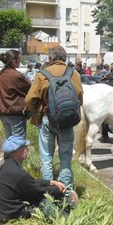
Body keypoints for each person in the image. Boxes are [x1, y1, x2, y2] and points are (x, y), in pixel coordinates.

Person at [25, 45, 83, 192]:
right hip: (67, 120)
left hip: (47, 119)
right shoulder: (74, 73)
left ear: (50, 58)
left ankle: (48, 193)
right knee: (65, 158)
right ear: (64, 58)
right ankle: (66, 193)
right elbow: (80, 98)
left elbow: (30, 100)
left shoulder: (42, 74)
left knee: (46, 157)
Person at [0, 135, 68, 224]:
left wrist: (50, 182)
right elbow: (39, 192)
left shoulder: (2, 165)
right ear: (18, 151)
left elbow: (29, 182)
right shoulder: (18, 173)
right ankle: (65, 220)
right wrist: (58, 189)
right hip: (10, 215)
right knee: (44, 202)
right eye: (25, 147)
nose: (28, 149)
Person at [0, 49, 32, 139]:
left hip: (2, 111)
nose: (20, 62)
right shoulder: (16, 75)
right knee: (18, 141)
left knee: (9, 139)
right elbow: (30, 88)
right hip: (15, 111)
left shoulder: (0, 74)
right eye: (19, 59)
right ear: (14, 61)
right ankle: (13, 153)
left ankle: (7, 153)